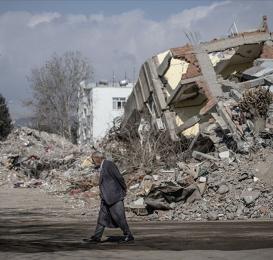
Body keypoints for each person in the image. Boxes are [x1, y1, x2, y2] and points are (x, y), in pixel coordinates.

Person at [83, 151, 134, 243]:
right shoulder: (102, 166)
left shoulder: (109, 165)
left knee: (120, 217)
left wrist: (123, 190)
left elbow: (119, 178)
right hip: (106, 198)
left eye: (93, 159)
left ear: (98, 158)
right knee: (101, 218)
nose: (93, 162)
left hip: (114, 197)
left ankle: (128, 235)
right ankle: (96, 237)